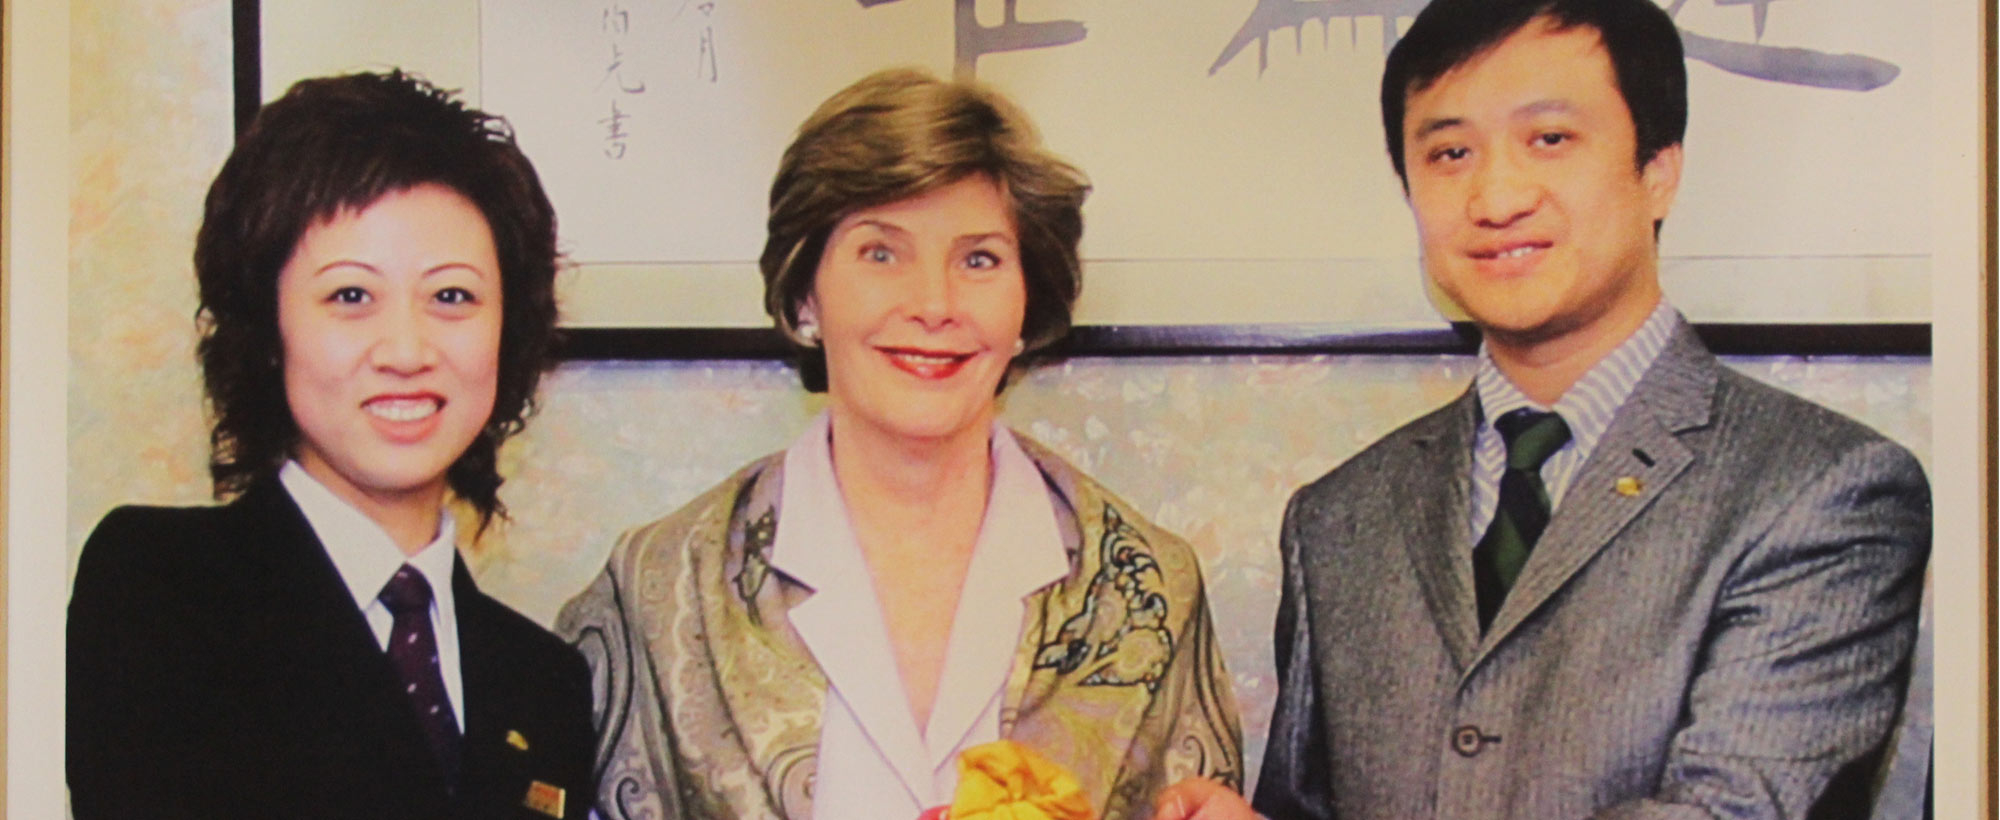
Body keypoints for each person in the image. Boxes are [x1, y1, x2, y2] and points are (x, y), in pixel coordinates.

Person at [1157, 0, 1930, 818]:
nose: (1496, 197)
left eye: (1550, 139)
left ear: (1659, 170)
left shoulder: (1823, 491)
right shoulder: (1339, 520)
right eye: (1450, 153)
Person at [558, 68, 1243, 820]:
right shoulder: (663, 586)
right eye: (881, 253)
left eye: (979, 259)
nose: (933, 304)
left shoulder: (1146, 588)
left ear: (1026, 303)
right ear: (805, 294)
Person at [67, 71, 595, 820]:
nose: (406, 350)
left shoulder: (545, 679)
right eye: (351, 296)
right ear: (267, 328)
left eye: (452, 296)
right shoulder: (161, 586)